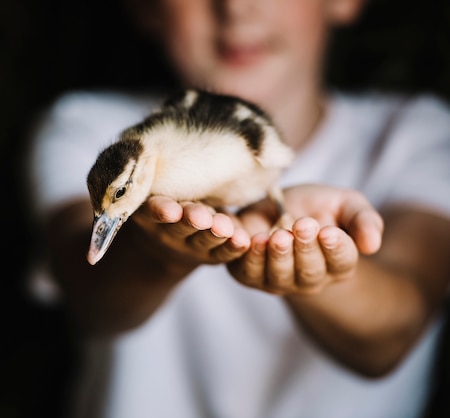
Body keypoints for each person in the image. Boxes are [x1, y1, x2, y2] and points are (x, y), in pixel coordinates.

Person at [30, 0, 450, 417]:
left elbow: (393, 335)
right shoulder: (84, 127)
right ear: (146, 8)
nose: (236, 8)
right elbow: (89, 302)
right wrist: (155, 251)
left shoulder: (420, 139)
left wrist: (313, 259)